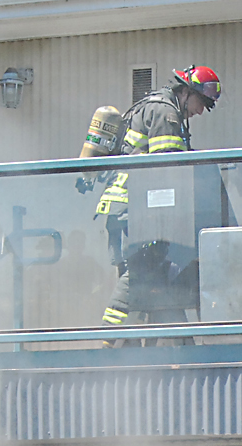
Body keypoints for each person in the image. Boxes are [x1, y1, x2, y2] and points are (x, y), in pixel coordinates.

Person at [91, 65, 222, 330]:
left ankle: (153, 341)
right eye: (200, 103)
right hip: (133, 210)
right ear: (186, 92)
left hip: (125, 210)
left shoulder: (159, 108)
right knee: (139, 274)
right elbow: (169, 170)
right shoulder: (165, 112)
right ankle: (110, 339)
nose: (199, 111)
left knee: (152, 281)